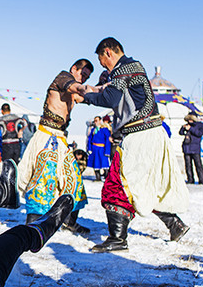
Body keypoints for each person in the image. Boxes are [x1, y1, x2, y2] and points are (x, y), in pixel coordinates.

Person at [77, 37, 190, 252]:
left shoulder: (123, 68)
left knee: (117, 183)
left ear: (108, 52)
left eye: (102, 61)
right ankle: (175, 225)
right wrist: (96, 88)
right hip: (151, 132)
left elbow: (110, 98)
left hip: (140, 135)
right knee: (145, 185)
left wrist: (87, 98)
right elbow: (111, 91)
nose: (104, 66)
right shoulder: (132, 67)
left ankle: (118, 239)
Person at [17, 59, 94, 235]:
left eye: (87, 77)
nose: (83, 78)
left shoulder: (74, 90)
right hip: (46, 137)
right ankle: (32, 227)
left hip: (60, 139)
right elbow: (80, 89)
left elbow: (90, 97)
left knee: (74, 180)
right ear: (74, 69)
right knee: (42, 181)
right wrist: (93, 88)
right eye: (82, 74)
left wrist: (105, 87)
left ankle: (69, 221)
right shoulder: (63, 78)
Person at [179, 111, 203, 184]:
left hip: (195, 148)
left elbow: (199, 133)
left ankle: (202, 180)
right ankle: (190, 179)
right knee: (188, 165)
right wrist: (183, 128)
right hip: (187, 148)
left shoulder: (200, 125)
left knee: (198, 165)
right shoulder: (186, 125)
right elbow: (180, 133)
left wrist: (190, 128)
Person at [86, 116, 111, 181]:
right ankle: (98, 177)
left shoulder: (105, 129)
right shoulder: (93, 130)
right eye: (94, 121)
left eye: (96, 120)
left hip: (102, 149)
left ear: (100, 121)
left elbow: (107, 141)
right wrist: (89, 149)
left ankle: (107, 178)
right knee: (95, 163)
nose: (95, 122)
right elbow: (89, 139)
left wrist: (107, 151)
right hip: (94, 149)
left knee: (104, 163)